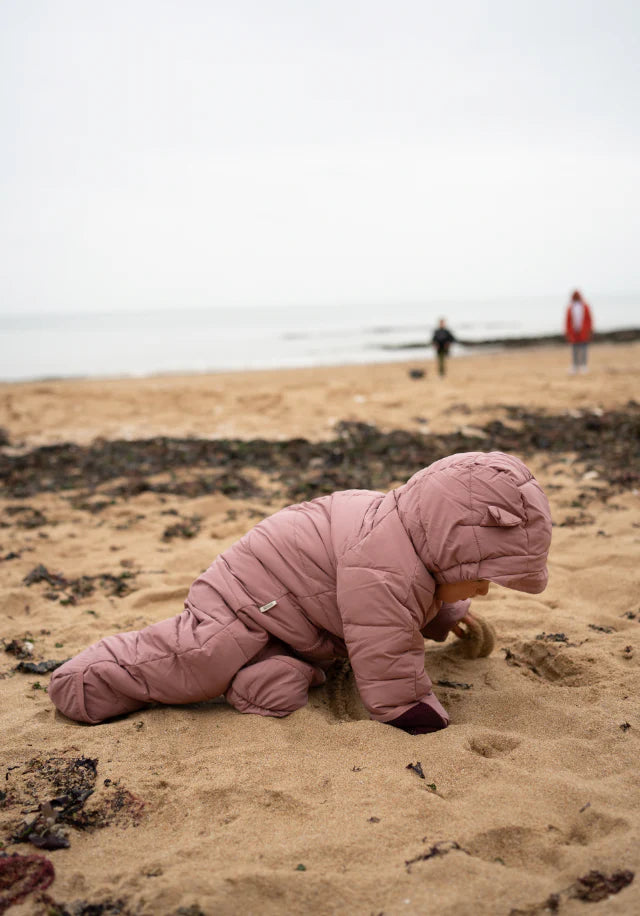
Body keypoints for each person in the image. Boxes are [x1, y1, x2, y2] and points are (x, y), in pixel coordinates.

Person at [48, 451, 552, 735]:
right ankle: (88, 678)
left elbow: (420, 598)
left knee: (279, 686)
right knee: (196, 658)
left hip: (302, 624)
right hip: (243, 601)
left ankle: (261, 677)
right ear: (444, 549)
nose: (486, 588)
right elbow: (386, 646)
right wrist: (411, 711)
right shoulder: (383, 560)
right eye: (481, 575)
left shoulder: (413, 540)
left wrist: (450, 614)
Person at [565, 290, 593, 373]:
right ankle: (575, 365)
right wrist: (568, 332)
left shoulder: (585, 307)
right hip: (574, 332)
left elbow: (589, 319)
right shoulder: (570, 308)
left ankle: (584, 365)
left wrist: (589, 330)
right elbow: (567, 321)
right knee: (574, 349)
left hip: (583, 331)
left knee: (584, 349)